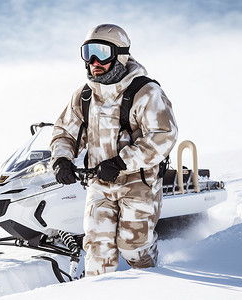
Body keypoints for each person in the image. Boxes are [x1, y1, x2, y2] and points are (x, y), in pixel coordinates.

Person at [50, 24, 178, 277]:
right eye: (88, 53)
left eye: (102, 52)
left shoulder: (146, 92)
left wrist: (121, 162)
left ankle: (154, 285)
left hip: (139, 182)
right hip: (100, 184)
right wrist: (61, 159)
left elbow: (163, 135)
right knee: (97, 251)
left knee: (133, 248)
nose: (94, 61)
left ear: (120, 55)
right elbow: (64, 131)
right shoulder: (84, 96)